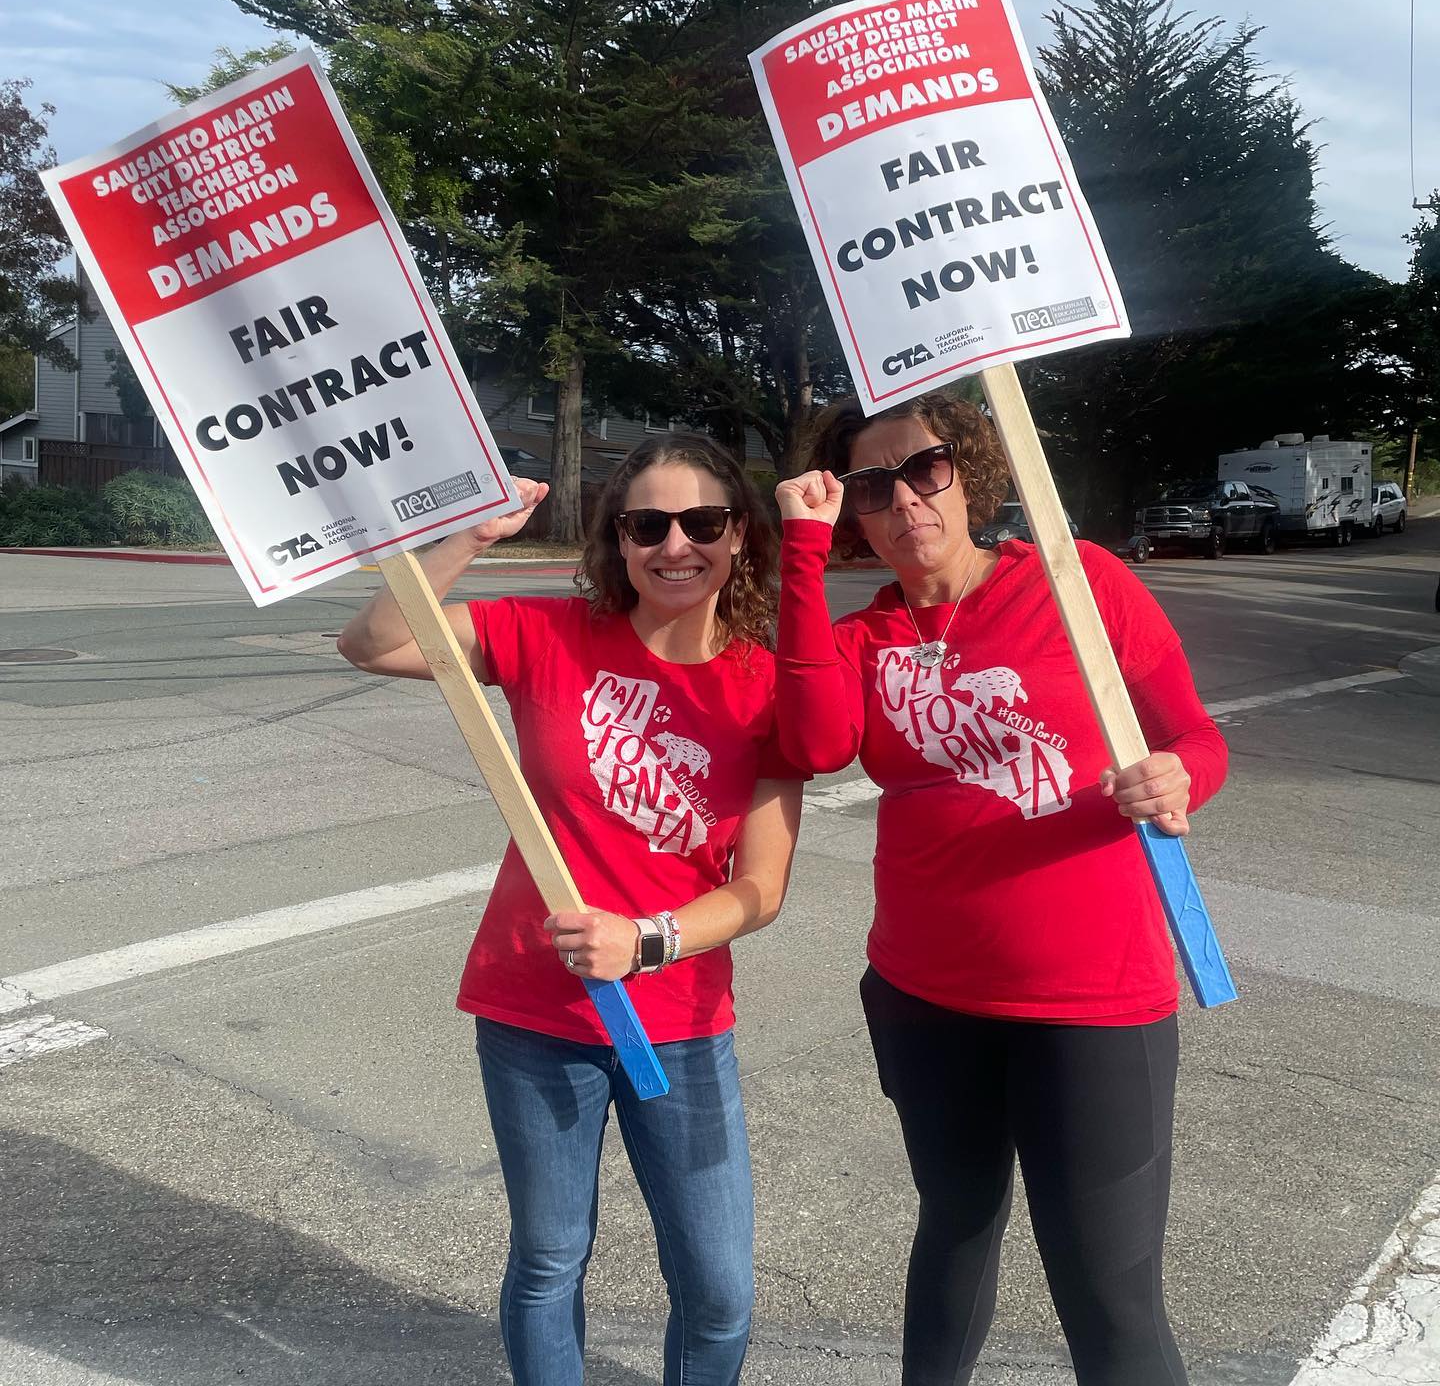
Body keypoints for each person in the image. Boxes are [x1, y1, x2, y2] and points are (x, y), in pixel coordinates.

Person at [773, 391, 1228, 1386]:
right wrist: (799, 554)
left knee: (1108, 1295)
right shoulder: (864, 639)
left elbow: (1194, 736)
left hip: (1093, 1001)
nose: (903, 500)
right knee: (956, 1231)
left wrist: (1180, 775)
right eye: (871, 485)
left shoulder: (1079, 582)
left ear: (966, 470)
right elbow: (810, 743)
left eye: (923, 469)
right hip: (925, 996)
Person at [338, 434, 805, 1386]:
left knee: (718, 1290)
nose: (676, 546)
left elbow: (762, 888)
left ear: (741, 538)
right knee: (551, 1259)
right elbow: (374, 642)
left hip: (679, 1019)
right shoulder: (548, 633)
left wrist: (648, 939)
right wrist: (468, 537)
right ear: (618, 542)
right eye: (648, 525)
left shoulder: (767, 685)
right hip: (535, 1012)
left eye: (703, 523)